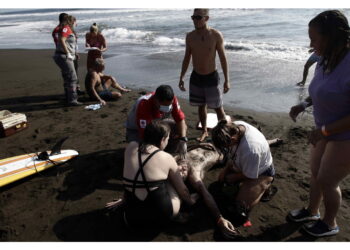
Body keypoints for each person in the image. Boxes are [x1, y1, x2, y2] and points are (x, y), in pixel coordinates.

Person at [288, 10, 350, 237]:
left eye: (314, 38)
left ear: (332, 36)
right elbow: (322, 91)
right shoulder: (325, 58)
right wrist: (303, 104)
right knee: (315, 172)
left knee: (327, 178)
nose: (311, 43)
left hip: (345, 135)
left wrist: (324, 131)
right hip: (323, 130)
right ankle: (312, 211)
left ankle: (329, 222)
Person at [116, 120, 197, 229]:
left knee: (151, 179)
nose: (167, 141)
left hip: (131, 218)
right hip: (161, 217)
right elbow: (183, 191)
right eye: (167, 139)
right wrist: (191, 201)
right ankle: (177, 214)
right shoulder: (166, 157)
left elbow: (138, 171)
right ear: (163, 139)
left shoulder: (131, 147)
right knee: (173, 181)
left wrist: (123, 200)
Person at [179, 8, 230, 142]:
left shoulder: (215, 35)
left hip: (211, 77)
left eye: (198, 17)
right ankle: (205, 131)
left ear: (206, 18)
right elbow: (186, 58)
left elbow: (223, 58)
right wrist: (181, 77)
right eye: (193, 17)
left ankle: (224, 132)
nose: (195, 20)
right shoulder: (190, 36)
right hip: (196, 77)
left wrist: (227, 80)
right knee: (201, 106)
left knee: (218, 107)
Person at [211, 119, 276, 224]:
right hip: (242, 164)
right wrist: (226, 169)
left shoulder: (251, 149)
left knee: (240, 209)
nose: (226, 149)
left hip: (260, 172)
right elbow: (232, 156)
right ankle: (244, 186)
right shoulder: (233, 127)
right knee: (220, 182)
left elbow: (250, 175)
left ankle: (266, 185)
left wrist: (234, 177)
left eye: (226, 147)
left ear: (232, 139)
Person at [125, 85, 188, 158]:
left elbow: (180, 119)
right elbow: (145, 134)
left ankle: (171, 151)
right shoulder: (144, 104)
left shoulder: (172, 98)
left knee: (178, 128)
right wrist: (157, 151)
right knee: (139, 153)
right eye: (164, 105)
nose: (167, 107)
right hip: (136, 130)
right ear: (156, 100)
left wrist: (183, 139)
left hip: (158, 122)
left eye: (169, 105)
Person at [53, 15, 81, 106]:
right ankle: (72, 99)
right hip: (64, 56)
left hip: (62, 55)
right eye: (75, 21)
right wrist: (68, 53)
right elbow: (61, 39)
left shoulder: (64, 28)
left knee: (67, 77)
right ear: (71, 21)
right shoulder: (66, 28)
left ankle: (68, 96)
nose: (75, 23)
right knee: (73, 78)